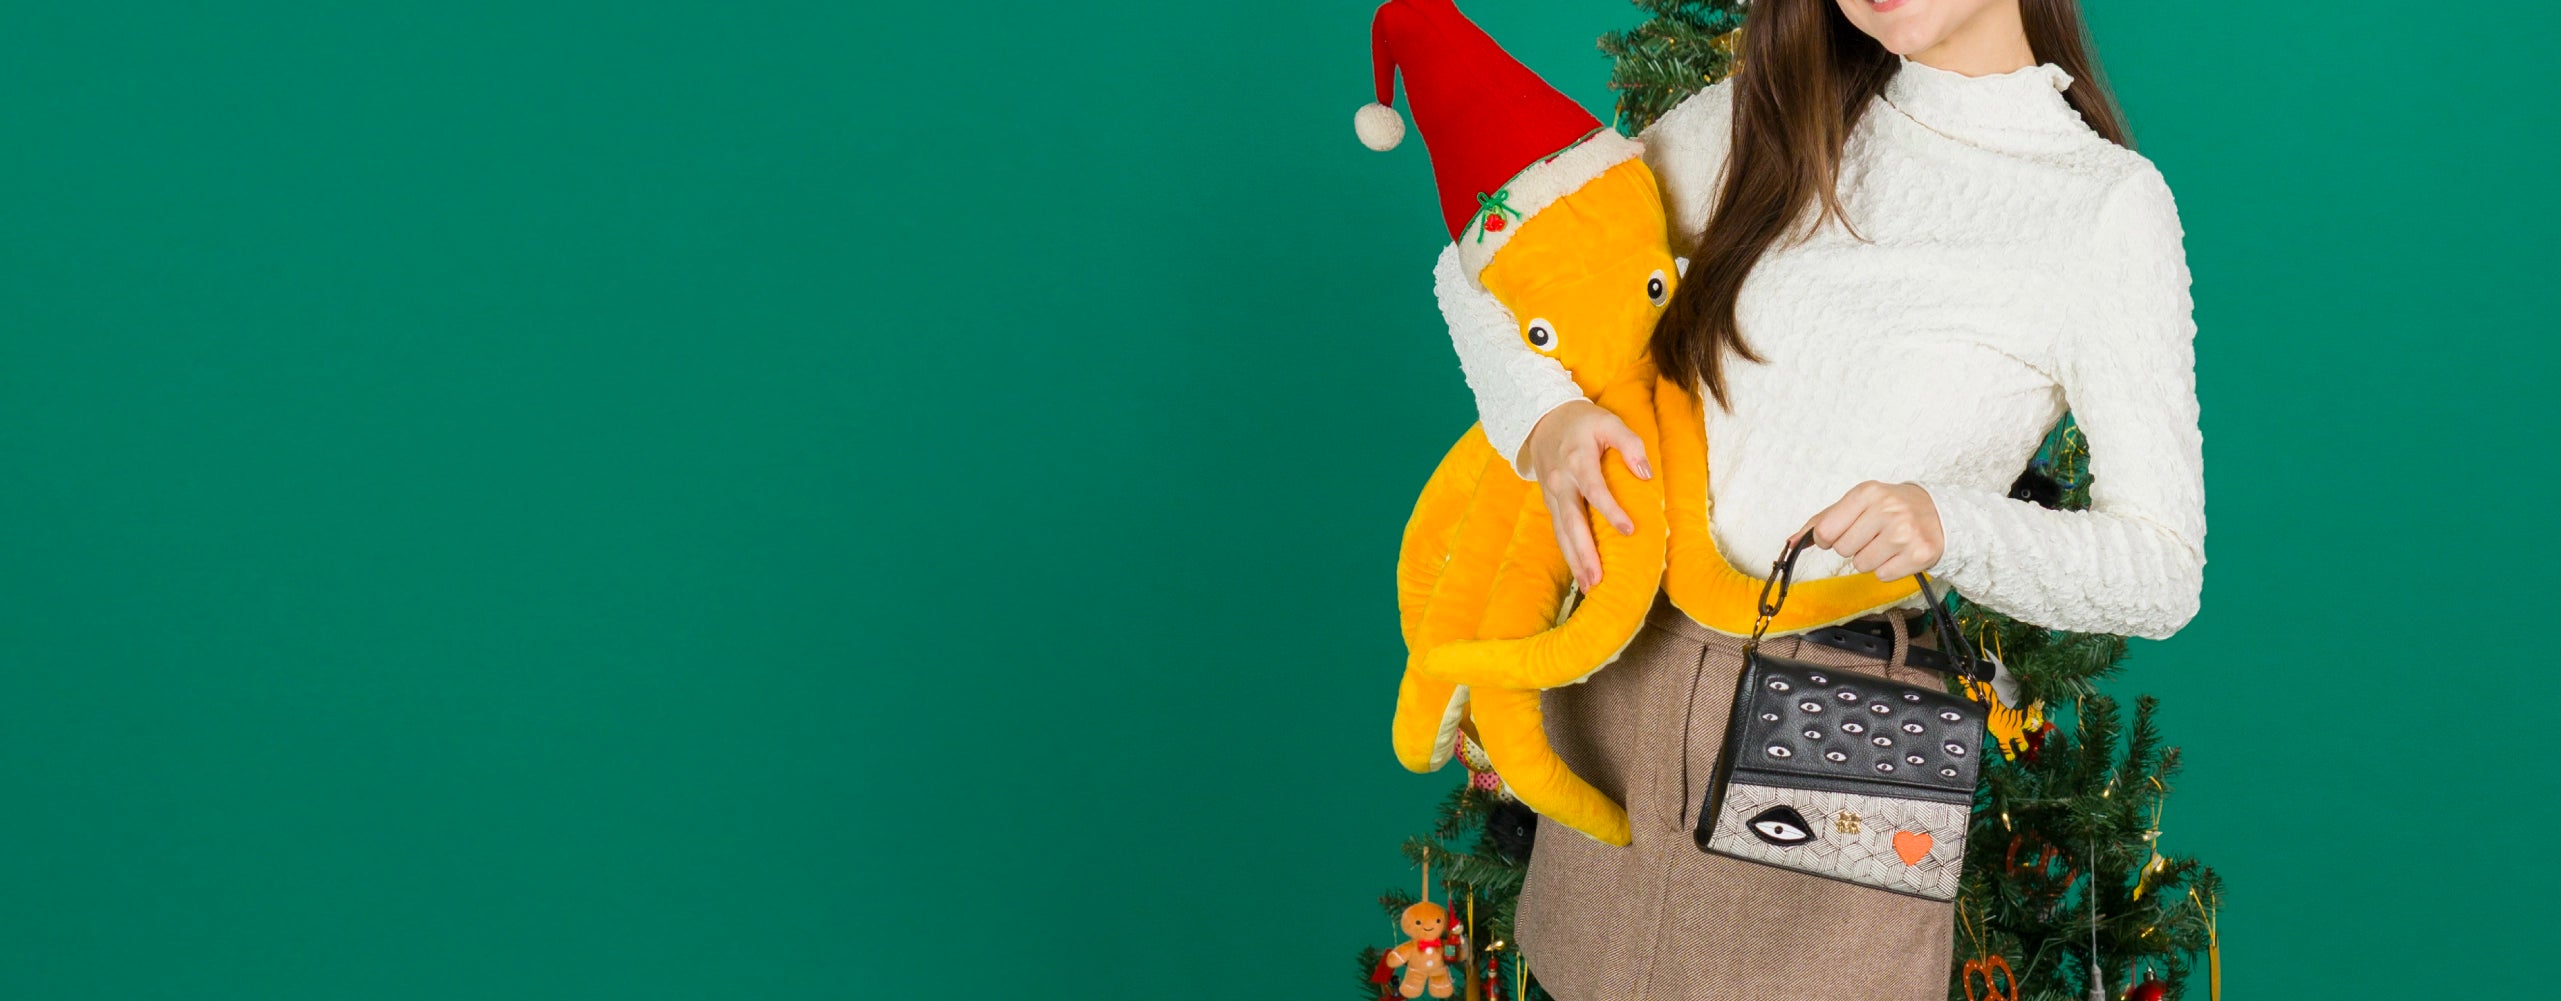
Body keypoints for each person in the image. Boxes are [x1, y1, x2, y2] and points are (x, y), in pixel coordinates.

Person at [1429, 0, 2206, 997]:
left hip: (1831, 726)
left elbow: (2159, 569)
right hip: (1623, 684)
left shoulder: (2098, 206)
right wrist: (1543, 417)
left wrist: (1944, 521)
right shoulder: (1752, 116)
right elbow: (1481, 264)